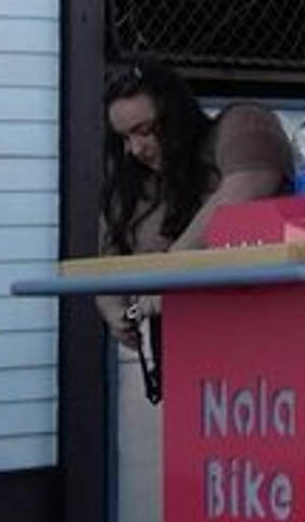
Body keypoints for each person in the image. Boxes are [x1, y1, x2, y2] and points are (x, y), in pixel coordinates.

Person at [99, 63, 293, 341]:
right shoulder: (132, 183)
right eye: (125, 139)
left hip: (261, 327)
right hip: (176, 344)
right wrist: (112, 309)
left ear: (175, 114)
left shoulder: (238, 124)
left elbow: (249, 184)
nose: (136, 149)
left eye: (145, 130)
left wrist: (173, 269)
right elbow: (107, 258)